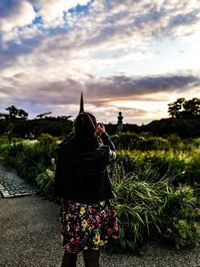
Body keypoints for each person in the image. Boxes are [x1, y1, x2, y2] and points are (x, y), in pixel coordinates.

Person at [54, 111, 119, 267]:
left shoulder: (66, 152)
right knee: (92, 254)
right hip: (94, 211)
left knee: (70, 252)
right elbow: (115, 153)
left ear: (75, 129)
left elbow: (60, 147)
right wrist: (103, 135)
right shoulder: (102, 154)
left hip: (73, 209)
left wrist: (75, 132)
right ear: (93, 130)